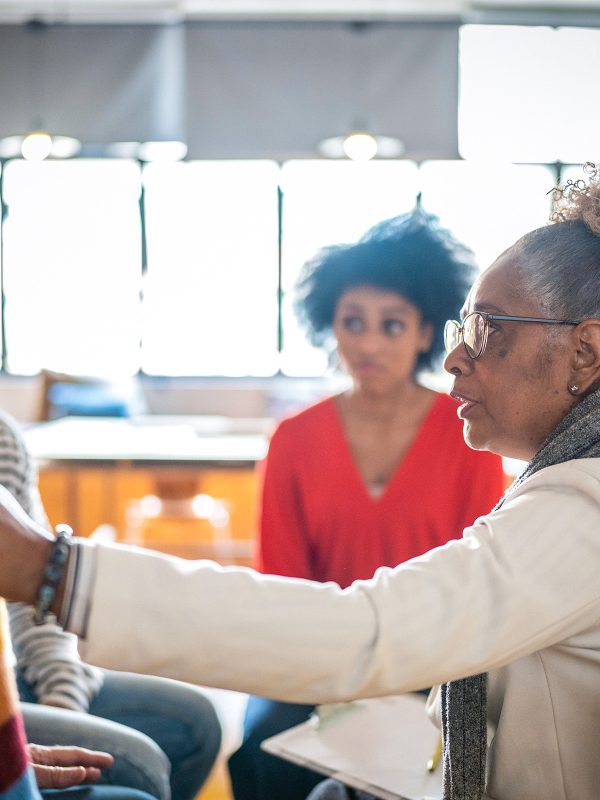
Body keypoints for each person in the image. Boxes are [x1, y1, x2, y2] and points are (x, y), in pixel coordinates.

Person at [0, 166, 600, 800]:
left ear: (586, 352)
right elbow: (314, 595)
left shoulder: (579, 507)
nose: (456, 357)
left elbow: (370, 630)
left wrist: (52, 569)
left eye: (488, 331)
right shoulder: (556, 477)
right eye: (463, 331)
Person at [228, 212, 505, 800]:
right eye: (353, 323)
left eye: (391, 325)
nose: (370, 343)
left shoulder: (471, 440)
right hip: (314, 658)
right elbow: (281, 581)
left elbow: (475, 582)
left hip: (428, 666)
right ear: (330, 327)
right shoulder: (293, 440)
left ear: (427, 332)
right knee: (259, 750)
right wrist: (334, 672)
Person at [0, 410, 221, 800]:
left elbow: (37, 597)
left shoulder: (4, 439)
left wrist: (63, 697)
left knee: (193, 721)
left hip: (12, 681)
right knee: (139, 769)